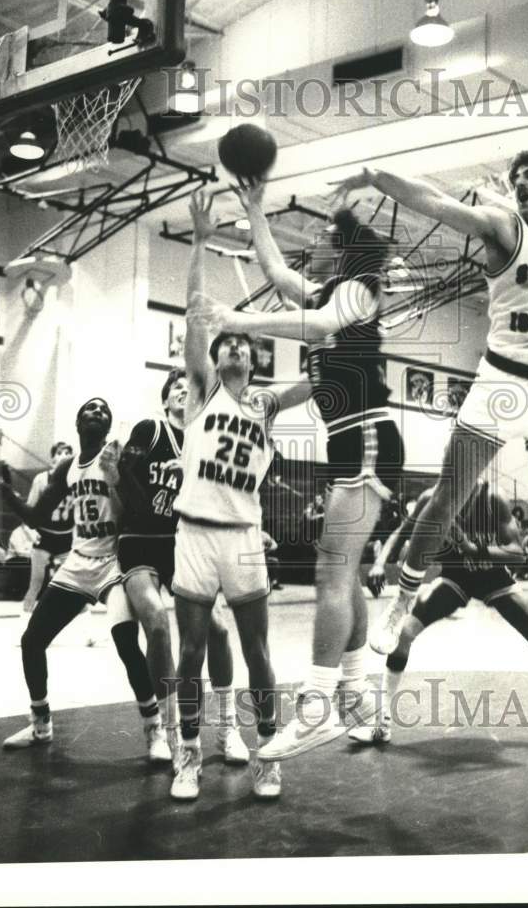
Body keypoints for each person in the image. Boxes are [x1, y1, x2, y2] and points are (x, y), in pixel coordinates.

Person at [331, 151, 528, 709]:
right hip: (502, 380)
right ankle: (402, 601)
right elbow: (436, 202)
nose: (517, 184)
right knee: (448, 495)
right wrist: (377, 174)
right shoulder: (504, 226)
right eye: (513, 178)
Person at [193, 183, 405, 762]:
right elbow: (277, 271)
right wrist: (256, 206)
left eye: (326, 237)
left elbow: (313, 326)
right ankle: (361, 701)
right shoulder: (329, 292)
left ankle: (316, 707)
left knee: (330, 572)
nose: (314, 243)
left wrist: (238, 317)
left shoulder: (360, 291)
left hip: (366, 436)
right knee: (348, 571)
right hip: (348, 441)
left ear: (344, 250)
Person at [170, 190, 309, 800]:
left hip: (245, 536)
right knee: (192, 650)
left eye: (240, 343)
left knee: (258, 653)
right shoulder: (200, 391)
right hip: (196, 531)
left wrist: (332, 320)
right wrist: (199, 243)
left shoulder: (266, 403)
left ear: (253, 356)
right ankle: (188, 757)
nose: (230, 346)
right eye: (224, 342)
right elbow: (197, 311)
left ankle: (269, 754)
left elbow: (323, 376)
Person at [352, 481, 528, 744]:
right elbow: (402, 531)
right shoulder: (434, 497)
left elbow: (517, 552)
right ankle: (381, 723)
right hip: (455, 579)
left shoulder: (492, 499)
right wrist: (379, 563)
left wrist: (473, 548)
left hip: (493, 578)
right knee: (403, 633)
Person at [0, 398, 176, 762]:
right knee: (32, 642)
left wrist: (119, 477)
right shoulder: (66, 468)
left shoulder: (120, 456)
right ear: (78, 422)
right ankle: (41, 725)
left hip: (115, 561)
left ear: (108, 426)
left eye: (104, 411)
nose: (98, 413)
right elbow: (36, 517)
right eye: (91, 409)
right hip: (78, 562)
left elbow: (141, 510)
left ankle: (153, 727)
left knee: (125, 641)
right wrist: (5, 493)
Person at [110, 368, 250, 770]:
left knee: (219, 629)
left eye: (191, 390)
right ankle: (170, 733)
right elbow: (121, 479)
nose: (184, 393)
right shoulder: (150, 430)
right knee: (155, 622)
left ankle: (226, 727)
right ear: (167, 397)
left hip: (183, 544)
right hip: (139, 541)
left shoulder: (207, 443)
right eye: (177, 388)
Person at [22, 441, 74, 613]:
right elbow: (29, 510)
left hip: (66, 537)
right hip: (44, 535)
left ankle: (87, 627)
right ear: (52, 458)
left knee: (75, 585)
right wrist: (31, 534)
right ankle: (24, 620)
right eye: (60, 452)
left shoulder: (75, 480)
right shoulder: (41, 479)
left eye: (67, 453)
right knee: (36, 582)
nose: (63, 456)